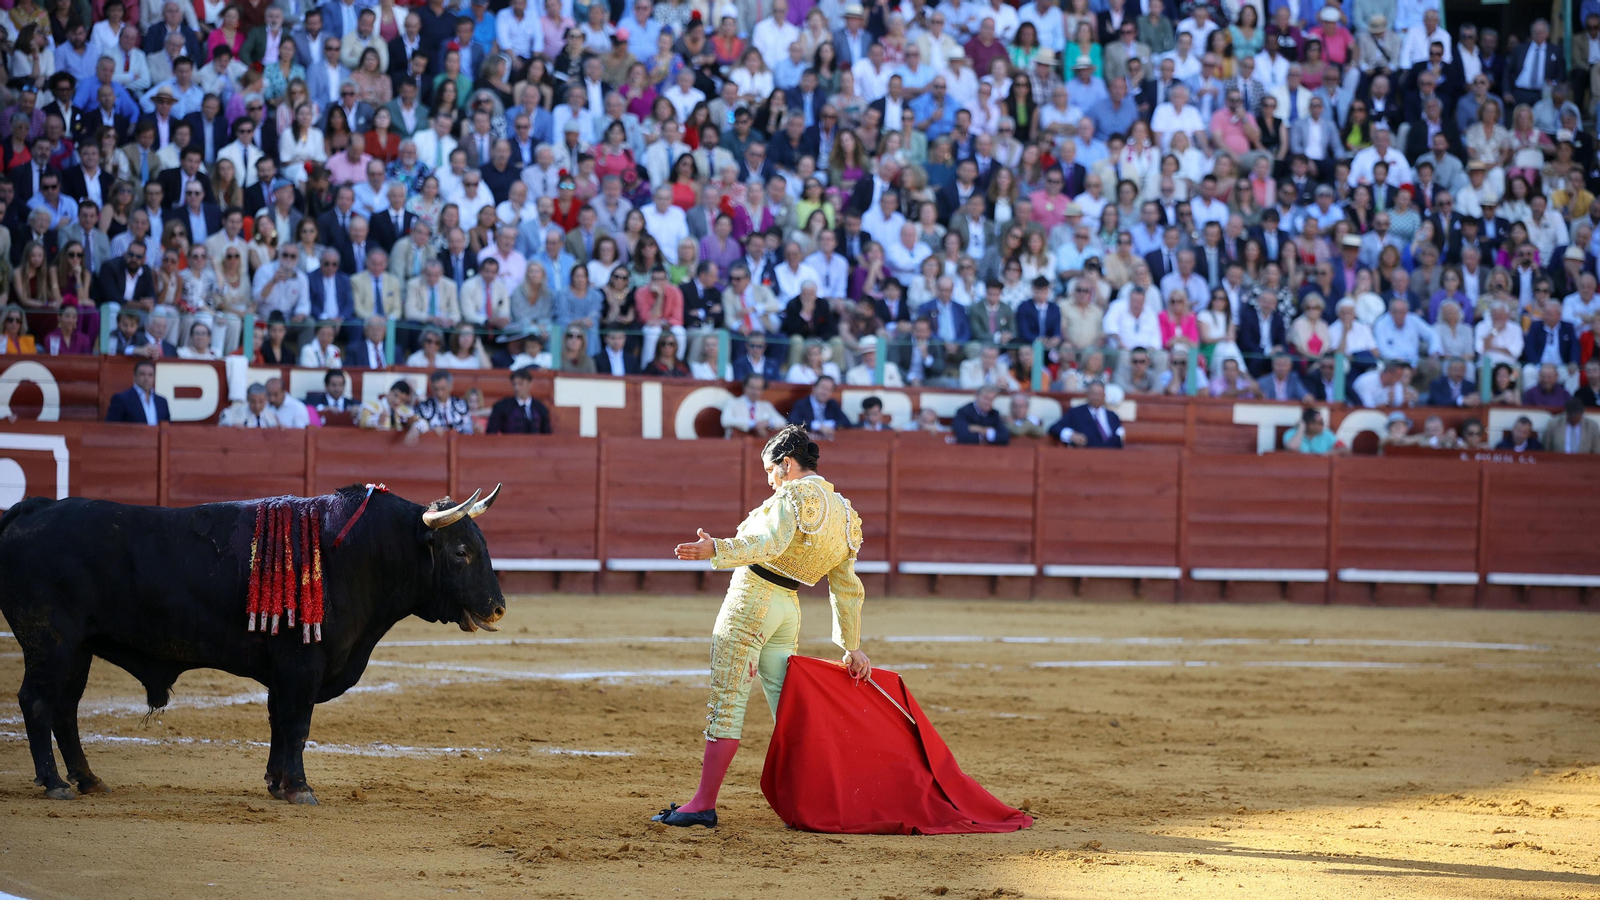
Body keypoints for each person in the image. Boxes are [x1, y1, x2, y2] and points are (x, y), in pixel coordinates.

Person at [660, 425, 867, 828]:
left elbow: (767, 545)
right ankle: (814, 802)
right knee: (788, 709)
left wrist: (717, 548)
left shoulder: (791, 497)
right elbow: (846, 587)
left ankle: (703, 803)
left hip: (752, 599)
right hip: (789, 609)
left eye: (771, 470)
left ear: (787, 464)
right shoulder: (845, 512)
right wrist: (851, 644)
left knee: (728, 701)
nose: (769, 480)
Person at [1048, 381, 1124, 448]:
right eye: (1093, 394)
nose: (1096, 397)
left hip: (1110, 457)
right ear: (1087, 395)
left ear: (1104, 396)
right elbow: (1054, 428)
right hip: (1086, 456)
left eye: (1099, 394)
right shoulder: (1076, 413)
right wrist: (1071, 435)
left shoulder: (1113, 416)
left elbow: (1119, 439)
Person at [486, 366, 552, 434]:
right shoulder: (502, 406)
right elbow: (491, 433)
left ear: (530, 384)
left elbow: (546, 434)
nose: (517, 388)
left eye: (521, 384)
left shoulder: (540, 407)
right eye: (514, 384)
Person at [104, 359, 170, 424]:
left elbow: (168, 428)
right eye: (142, 374)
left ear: (154, 378)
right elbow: (111, 428)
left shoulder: (162, 402)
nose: (146, 378)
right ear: (134, 376)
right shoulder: (121, 399)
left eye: (150, 375)